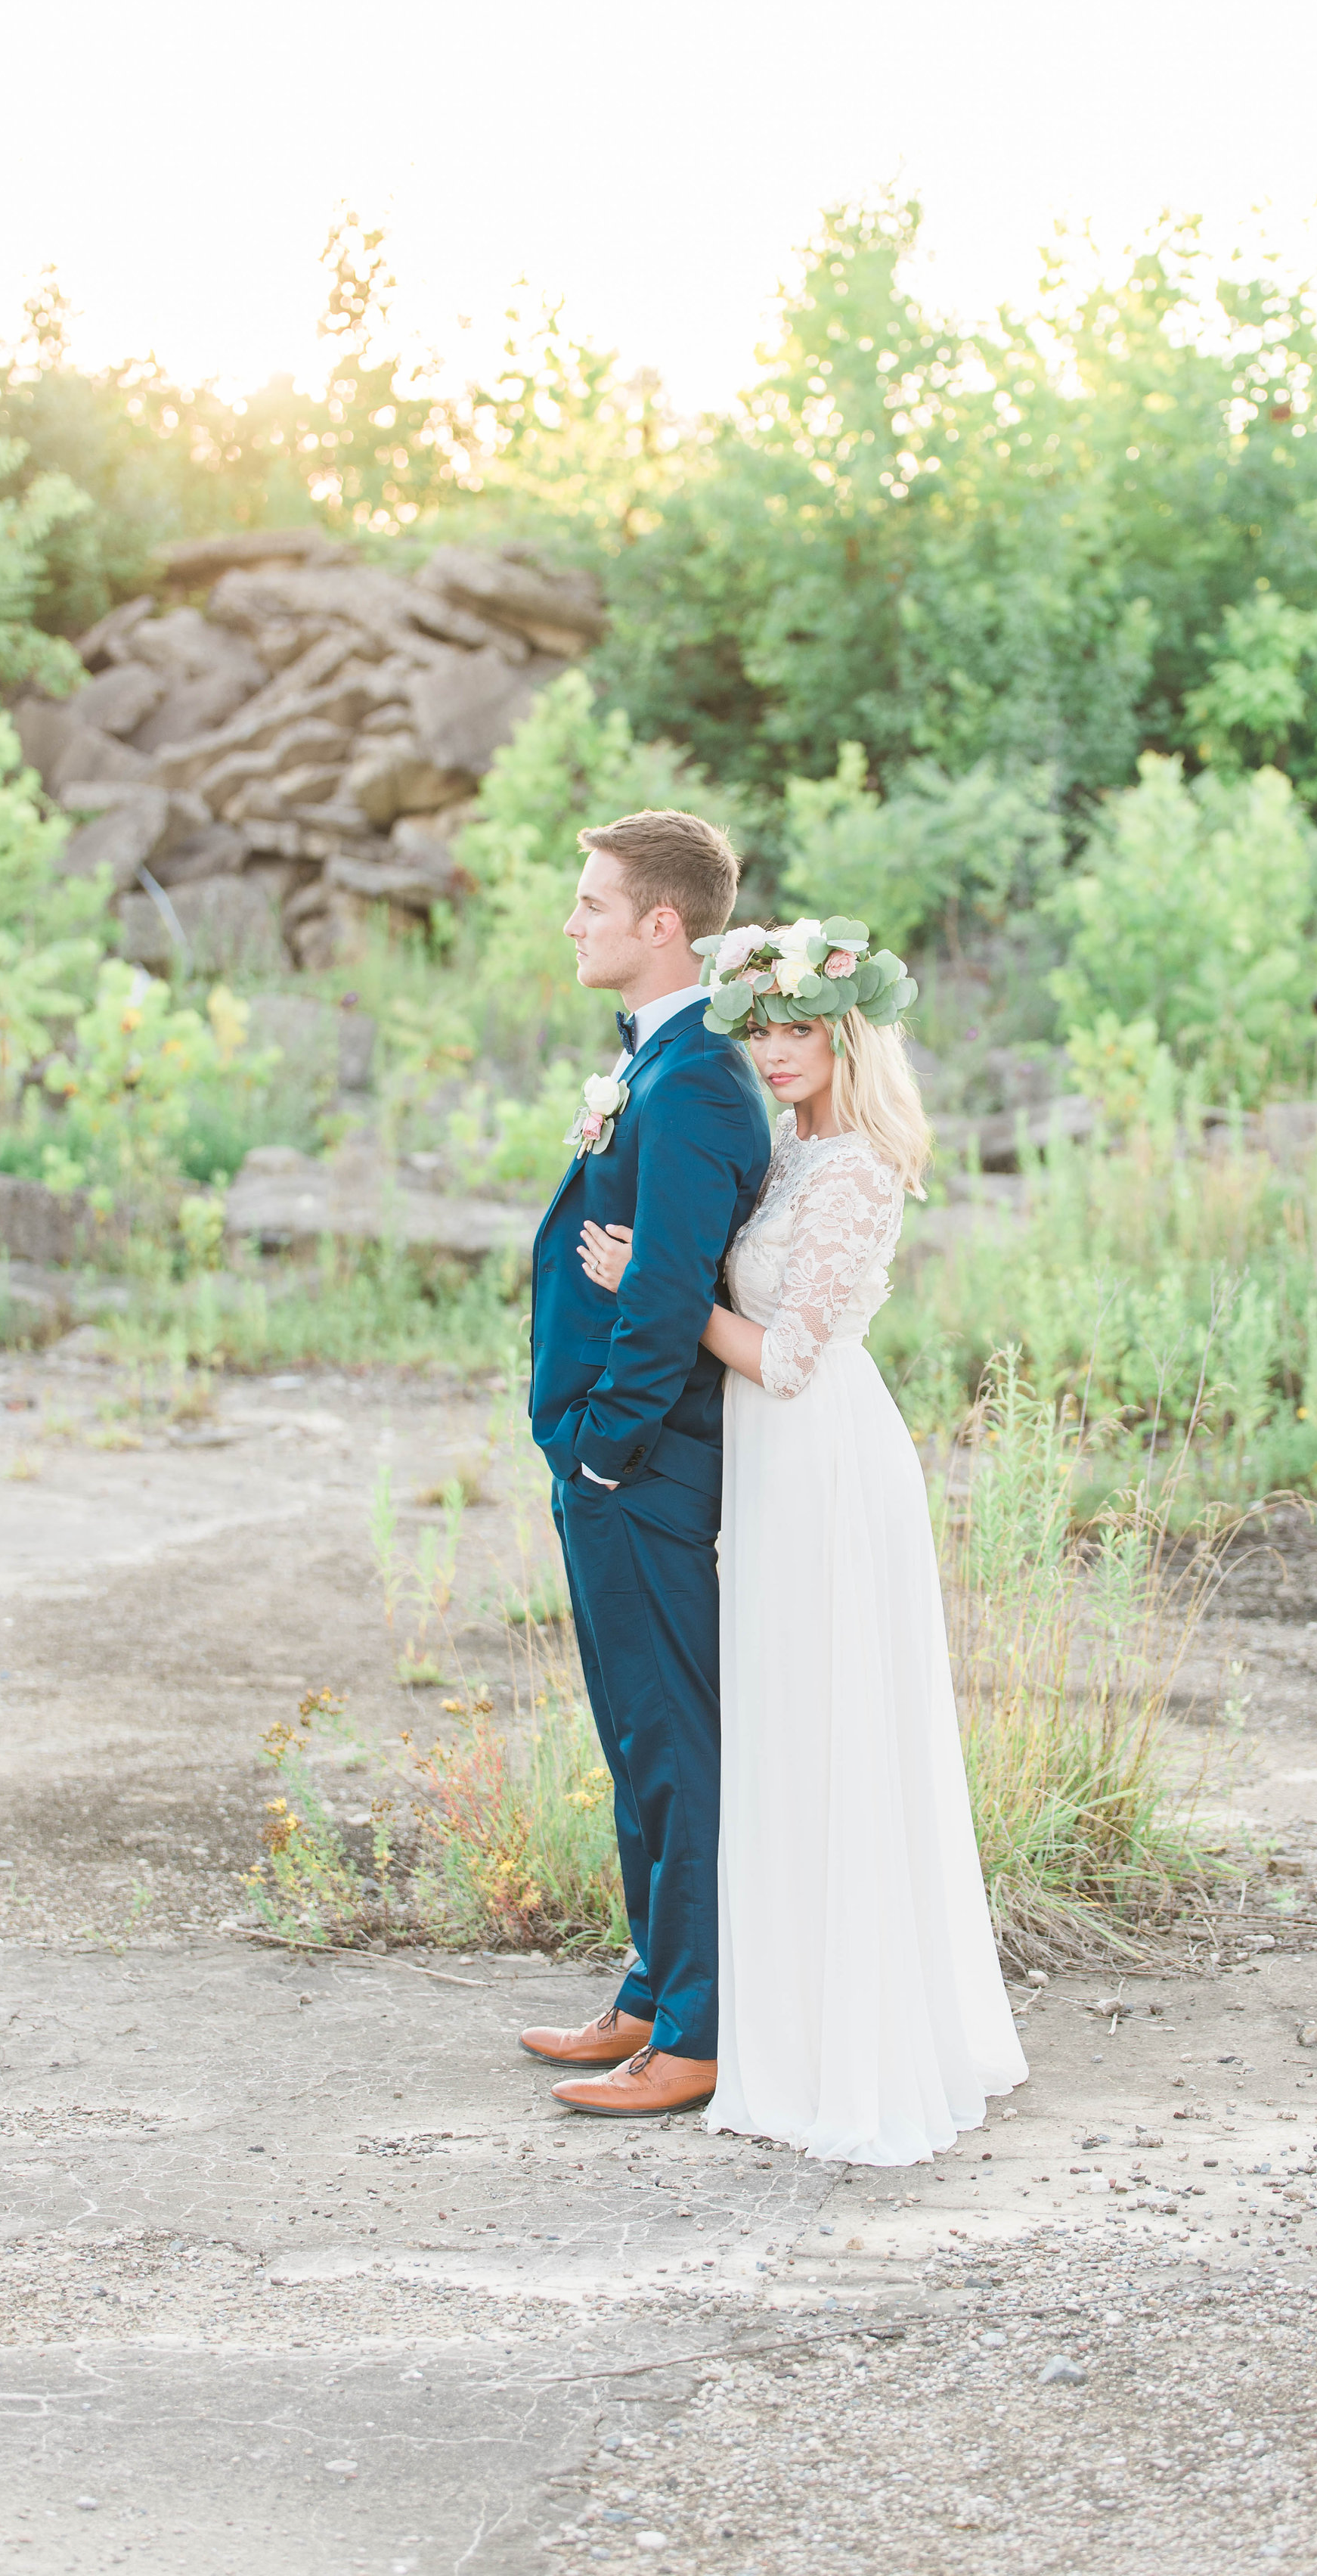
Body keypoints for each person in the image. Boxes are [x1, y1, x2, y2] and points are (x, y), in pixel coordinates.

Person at [576, 917, 1027, 2167]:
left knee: (826, 1723)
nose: (774, 1052)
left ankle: (846, 2040)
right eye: (762, 1030)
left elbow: (788, 1355)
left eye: (798, 1032)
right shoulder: (790, 1149)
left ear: (847, 1037)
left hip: (822, 1451)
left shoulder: (859, 1170)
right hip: (772, 1467)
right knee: (777, 1723)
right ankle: (763, 2004)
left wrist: (659, 1297)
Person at [518, 811, 772, 2120]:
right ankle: (649, 1988)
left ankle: (700, 2032)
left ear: (659, 923)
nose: (573, 921)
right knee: (634, 1740)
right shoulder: (653, 1066)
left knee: (675, 1743)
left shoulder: (698, 1084)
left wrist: (605, 1452)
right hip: (612, 1466)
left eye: (591, 902)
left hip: (646, 1470)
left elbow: (669, 1296)